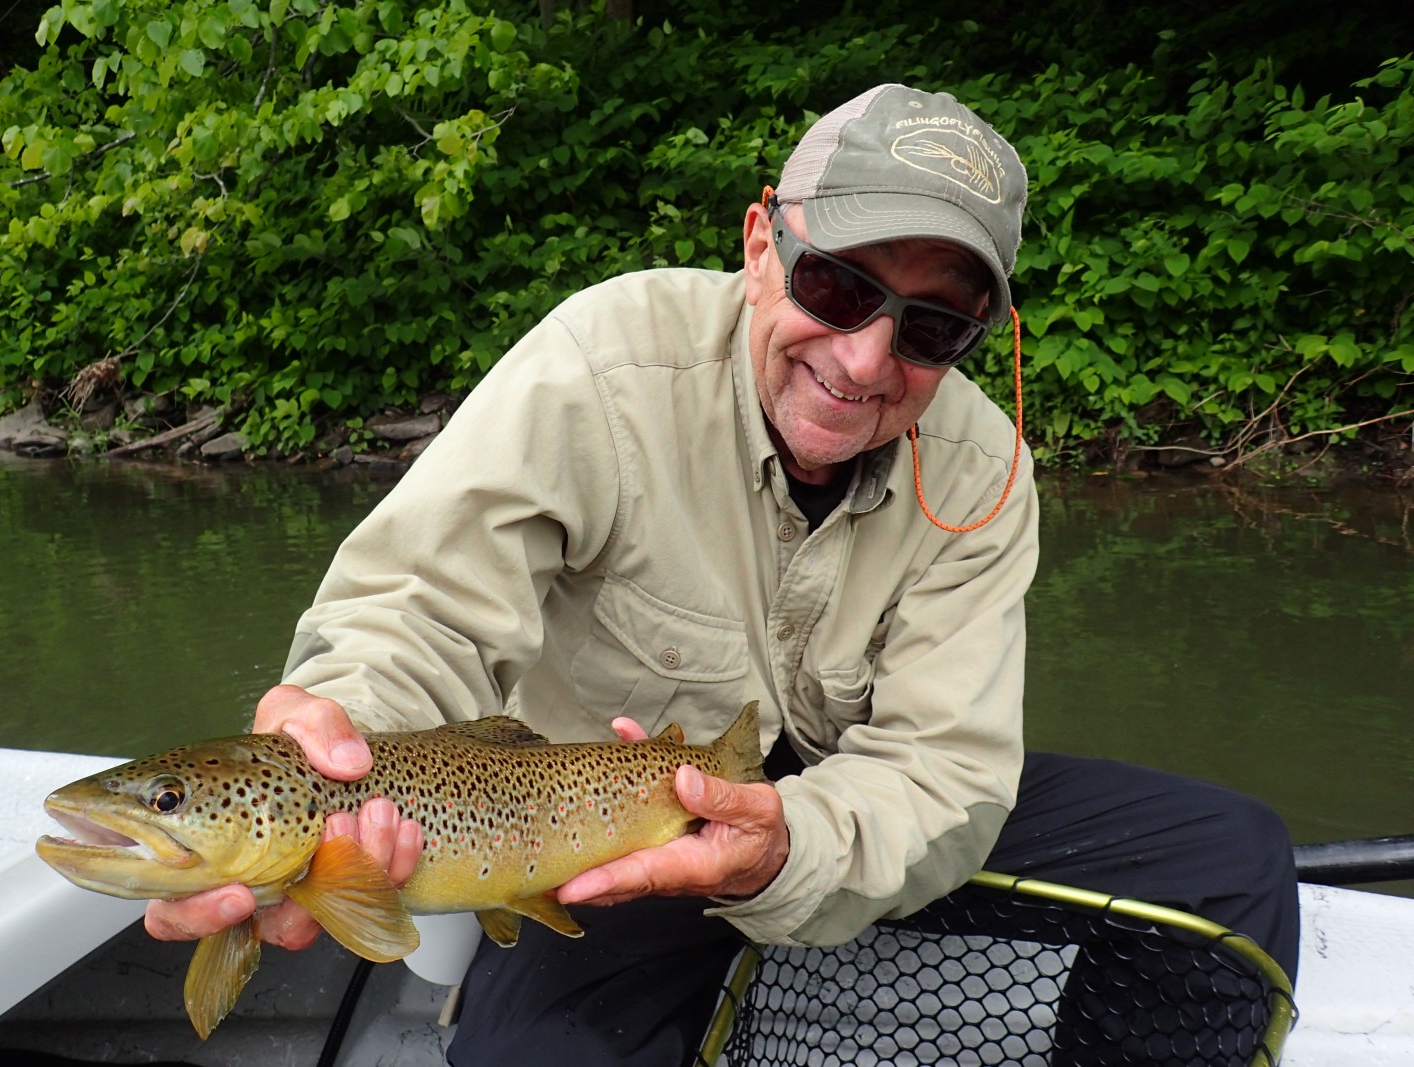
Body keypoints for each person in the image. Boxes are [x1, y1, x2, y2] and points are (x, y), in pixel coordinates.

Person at [144, 85, 1299, 1064]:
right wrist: (330, 748)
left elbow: (944, 770)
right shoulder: (599, 365)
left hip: (838, 809)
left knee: (1230, 861)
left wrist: (786, 841)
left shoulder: (985, 470)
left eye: (929, 329)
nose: (862, 359)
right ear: (761, 246)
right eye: (839, 288)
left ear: (973, 337)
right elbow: (420, 611)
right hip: (594, 830)